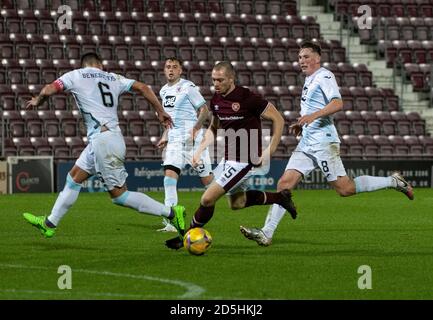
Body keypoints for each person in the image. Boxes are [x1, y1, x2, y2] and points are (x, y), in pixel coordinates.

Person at [240, 40, 414, 246]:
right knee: (284, 184)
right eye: (299, 57)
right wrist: (302, 124)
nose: (301, 61)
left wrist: (312, 117)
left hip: (323, 141)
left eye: (306, 56)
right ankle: (266, 233)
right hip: (307, 141)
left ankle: (394, 182)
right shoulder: (310, 79)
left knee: (345, 189)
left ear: (317, 58)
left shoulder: (324, 75)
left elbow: (338, 103)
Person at [22, 53, 186, 238]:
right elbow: (144, 87)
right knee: (74, 177)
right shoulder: (112, 77)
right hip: (103, 140)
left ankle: (172, 213)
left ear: (84, 65)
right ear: (99, 64)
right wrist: (161, 111)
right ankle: (49, 223)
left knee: (120, 196)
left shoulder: (76, 75)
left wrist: (38, 100)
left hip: (104, 141)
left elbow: (48, 89)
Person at [165, 61, 297, 249]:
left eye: (220, 80)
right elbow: (214, 127)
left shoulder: (247, 97)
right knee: (237, 203)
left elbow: (278, 118)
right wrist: (200, 150)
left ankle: (186, 236)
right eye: (213, 80)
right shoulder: (216, 100)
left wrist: (270, 150)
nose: (216, 84)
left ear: (231, 79)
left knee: (207, 199)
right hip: (228, 158)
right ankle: (281, 198)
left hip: (245, 159)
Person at [155, 57, 214, 232]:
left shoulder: (188, 88)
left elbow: (204, 111)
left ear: (180, 70)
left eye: (174, 67)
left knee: (208, 183)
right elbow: (169, 119)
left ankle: (228, 189)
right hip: (174, 140)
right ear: (164, 70)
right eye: (168, 67)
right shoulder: (163, 91)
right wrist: (165, 135)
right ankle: (172, 221)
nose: (171, 70)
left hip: (193, 140)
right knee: (169, 177)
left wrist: (196, 128)